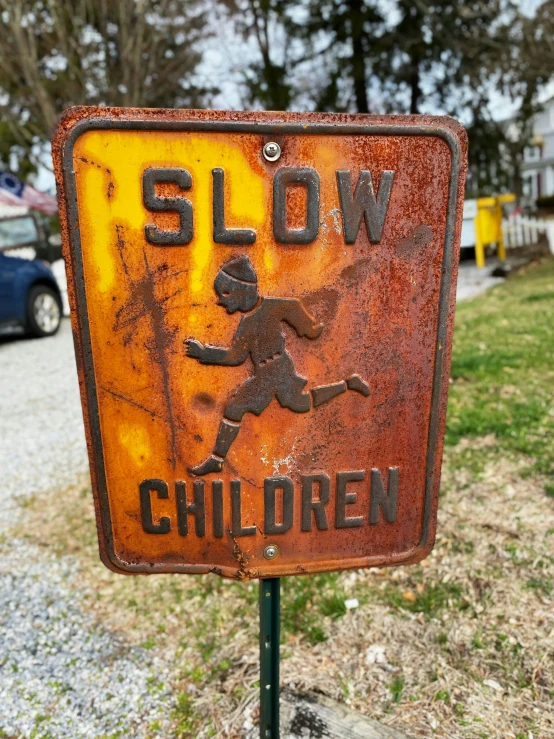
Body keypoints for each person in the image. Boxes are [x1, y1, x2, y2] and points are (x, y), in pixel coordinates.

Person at [186, 255, 369, 476]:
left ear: (243, 290)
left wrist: (309, 327)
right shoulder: (247, 322)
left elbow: (291, 306)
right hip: (265, 373)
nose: (221, 301)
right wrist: (204, 353)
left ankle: (348, 384)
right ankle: (217, 460)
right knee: (240, 406)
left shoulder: (271, 307)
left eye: (225, 293)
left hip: (279, 368)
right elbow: (236, 356)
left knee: (297, 404)